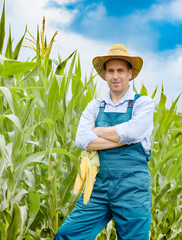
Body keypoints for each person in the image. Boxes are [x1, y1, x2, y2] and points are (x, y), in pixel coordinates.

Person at [55, 44, 155, 239]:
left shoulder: (142, 103)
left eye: (120, 71)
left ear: (130, 73)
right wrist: (123, 139)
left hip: (132, 187)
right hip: (98, 186)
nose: (115, 76)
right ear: (104, 74)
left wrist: (98, 131)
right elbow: (82, 139)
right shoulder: (95, 105)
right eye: (110, 71)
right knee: (67, 234)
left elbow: (134, 132)